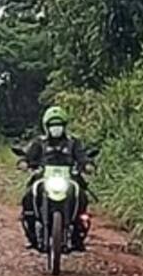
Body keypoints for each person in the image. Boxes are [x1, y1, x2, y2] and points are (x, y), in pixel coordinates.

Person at [20, 105, 91, 250]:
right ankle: (32, 236)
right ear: (46, 127)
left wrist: (87, 165)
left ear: (64, 126)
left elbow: (82, 157)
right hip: (44, 177)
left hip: (69, 178)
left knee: (82, 198)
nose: (56, 128)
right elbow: (29, 156)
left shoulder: (73, 142)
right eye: (52, 125)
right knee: (28, 198)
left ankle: (78, 238)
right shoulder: (39, 143)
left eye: (59, 125)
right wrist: (25, 163)